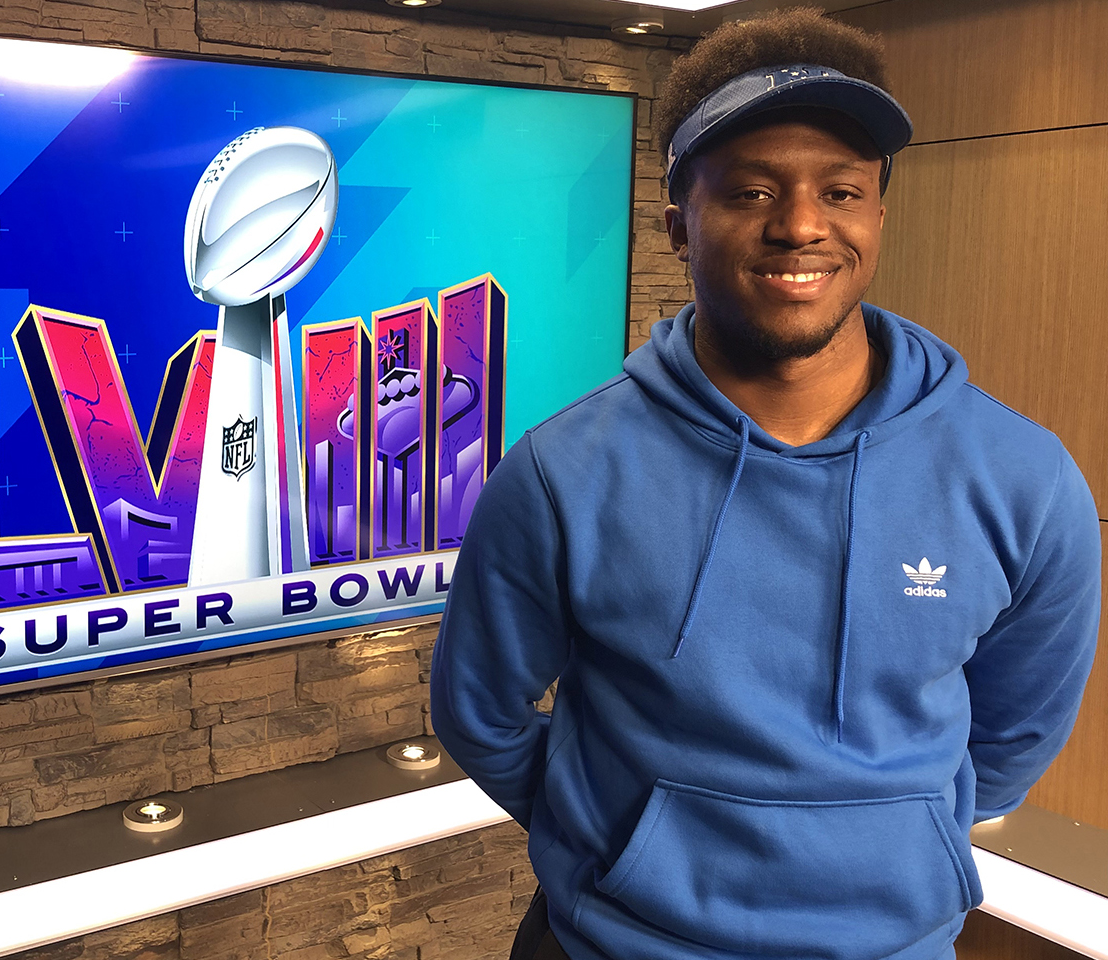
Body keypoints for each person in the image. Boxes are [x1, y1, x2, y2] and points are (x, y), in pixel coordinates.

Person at [429, 9, 1102, 960]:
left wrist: (895, 837)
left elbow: (1009, 743)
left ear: (877, 216)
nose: (800, 225)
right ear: (678, 225)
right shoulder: (560, 471)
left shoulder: (1023, 480)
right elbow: (481, 713)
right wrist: (625, 838)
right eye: (750, 191)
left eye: (841, 190)